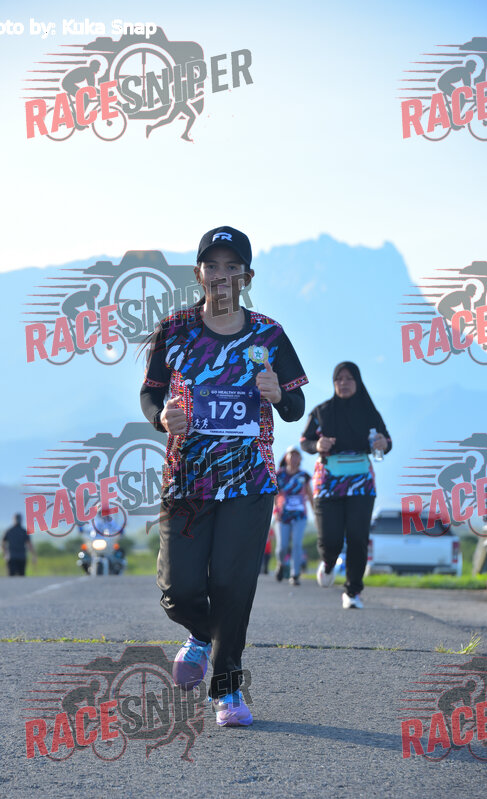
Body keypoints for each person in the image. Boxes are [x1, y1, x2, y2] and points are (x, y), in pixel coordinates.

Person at [140, 226, 308, 726]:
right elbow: (150, 393)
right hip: (186, 478)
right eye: (211, 265)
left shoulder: (269, 334)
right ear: (198, 274)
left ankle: (228, 690)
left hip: (249, 480)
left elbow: (296, 406)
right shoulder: (174, 330)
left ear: (247, 277)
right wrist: (161, 417)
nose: (221, 275)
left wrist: (279, 394)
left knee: (234, 588)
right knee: (179, 590)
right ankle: (199, 633)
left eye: (232, 267)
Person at [300, 362, 391, 609]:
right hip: (328, 480)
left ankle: (353, 592)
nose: (344, 383)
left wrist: (383, 443)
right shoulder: (321, 411)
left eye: (349, 378)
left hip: (361, 481)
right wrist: (317, 445)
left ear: (358, 382)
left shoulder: (370, 413)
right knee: (331, 539)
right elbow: (305, 441)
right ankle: (329, 562)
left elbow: (387, 440)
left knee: (358, 537)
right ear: (333, 383)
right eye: (339, 378)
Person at [274, 446, 312, 586]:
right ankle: (281, 564)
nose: (294, 458)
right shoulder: (278, 475)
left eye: (297, 456)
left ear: (300, 459)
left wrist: (316, 512)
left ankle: (295, 574)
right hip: (282, 515)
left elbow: (309, 494)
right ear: (286, 457)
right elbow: (274, 494)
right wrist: (275, 510)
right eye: (291, 455)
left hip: (299, 515)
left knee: (297, 544)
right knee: (282, 546)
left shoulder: (304, 476)